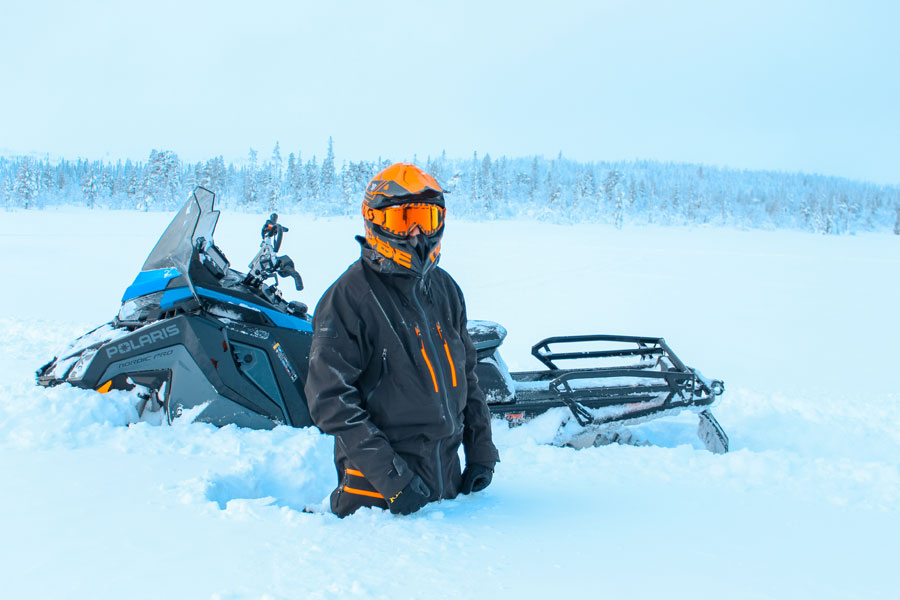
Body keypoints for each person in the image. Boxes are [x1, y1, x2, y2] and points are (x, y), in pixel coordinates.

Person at [305, 162, 500, 517]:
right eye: (402, 220)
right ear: (373, 219)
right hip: (378, 503)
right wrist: (394, 479)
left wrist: (482, 451)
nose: (415, 234)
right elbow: (330, 401)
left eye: (425, 219)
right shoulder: (349, 297)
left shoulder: (444, 288)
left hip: (448, 490)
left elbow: (466, 375)